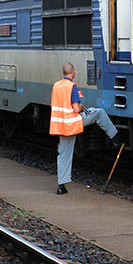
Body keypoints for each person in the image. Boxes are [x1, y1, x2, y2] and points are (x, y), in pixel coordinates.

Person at [50, 62, 120, 195]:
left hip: (60, 125)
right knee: (98, 112)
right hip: (73, 122)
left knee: (64, 154)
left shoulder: (56, 86)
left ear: (62, 73)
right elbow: (76, 108)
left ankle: (61, 186)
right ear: (74, 73)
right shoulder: (72, 86)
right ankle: (116, 138)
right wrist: (82, 108)